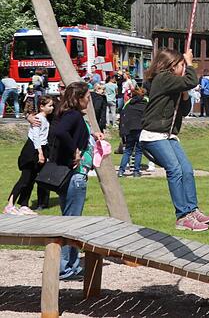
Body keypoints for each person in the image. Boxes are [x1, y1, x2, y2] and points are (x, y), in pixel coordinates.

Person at [140, 48, 209, 232]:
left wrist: (185, 94)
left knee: (187, 169)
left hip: (169, 135)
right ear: (171, 65)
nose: (184, 67)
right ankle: (182, 216)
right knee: (174, 169)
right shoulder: (163, 78)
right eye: (181, 65)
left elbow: (184, 110)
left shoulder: (173, 84)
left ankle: (192, 209)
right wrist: (189, 63)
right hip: (153, 134)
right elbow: (191, 80)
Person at [49, 82, 105, 279]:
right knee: (71, 223)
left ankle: (71, 265)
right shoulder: (72, 115)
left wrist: (92, 135)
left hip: (71, 176)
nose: (89, 100)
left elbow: (67, 132)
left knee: (70, 220)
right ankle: (64, 268)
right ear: (79, 98)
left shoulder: (68, 114)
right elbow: (60, 132)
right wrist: (75, 150)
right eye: (87, 97)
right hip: (76, 176)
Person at [4, 96, 54, 215]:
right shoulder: (38, 118)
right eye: (50, 105)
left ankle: (24, 204)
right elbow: (36, 136)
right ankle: (10, 205)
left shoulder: (45, 119)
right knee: (24, 179)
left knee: (31, 180)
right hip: (32, 151)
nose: (52, 108)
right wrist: (40, 153)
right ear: (42, 107)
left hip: (41, 148)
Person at [118, 87, 147, 177]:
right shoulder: (145, 105)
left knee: (128, 150)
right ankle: (136, 171)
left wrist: (122, 131)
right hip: (140, 129)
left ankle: (121, 171)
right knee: (138, 151)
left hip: (130, 129)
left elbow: (123, 117)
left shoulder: (128, 105)